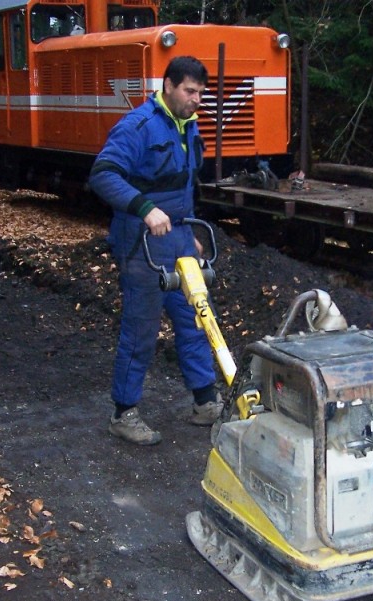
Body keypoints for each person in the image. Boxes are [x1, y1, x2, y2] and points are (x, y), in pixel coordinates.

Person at [89, 56, 222, 446]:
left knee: (197, 318)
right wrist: (144, 209)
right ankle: (123, 412)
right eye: (189, 91)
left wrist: (191, 230)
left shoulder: (188, 126)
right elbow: (103, 174)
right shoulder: (138, 126)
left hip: (179, 237)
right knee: (141, 330)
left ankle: (205, 401)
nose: (196, 99)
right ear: (168, 86)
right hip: (142, 243)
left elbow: (181, 185)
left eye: (200, 93)